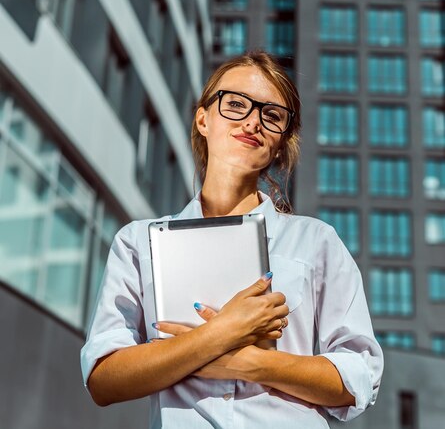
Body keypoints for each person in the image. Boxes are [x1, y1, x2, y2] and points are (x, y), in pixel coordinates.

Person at [81, 51, 383, 428]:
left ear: (281, 141)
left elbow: (359, 376)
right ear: (203, 118)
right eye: (236, 104)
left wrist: (252, 362)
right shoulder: (138, 243)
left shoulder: (315, 242)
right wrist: (222, 333)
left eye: (272, 115)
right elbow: (103, 377)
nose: (253, 121)